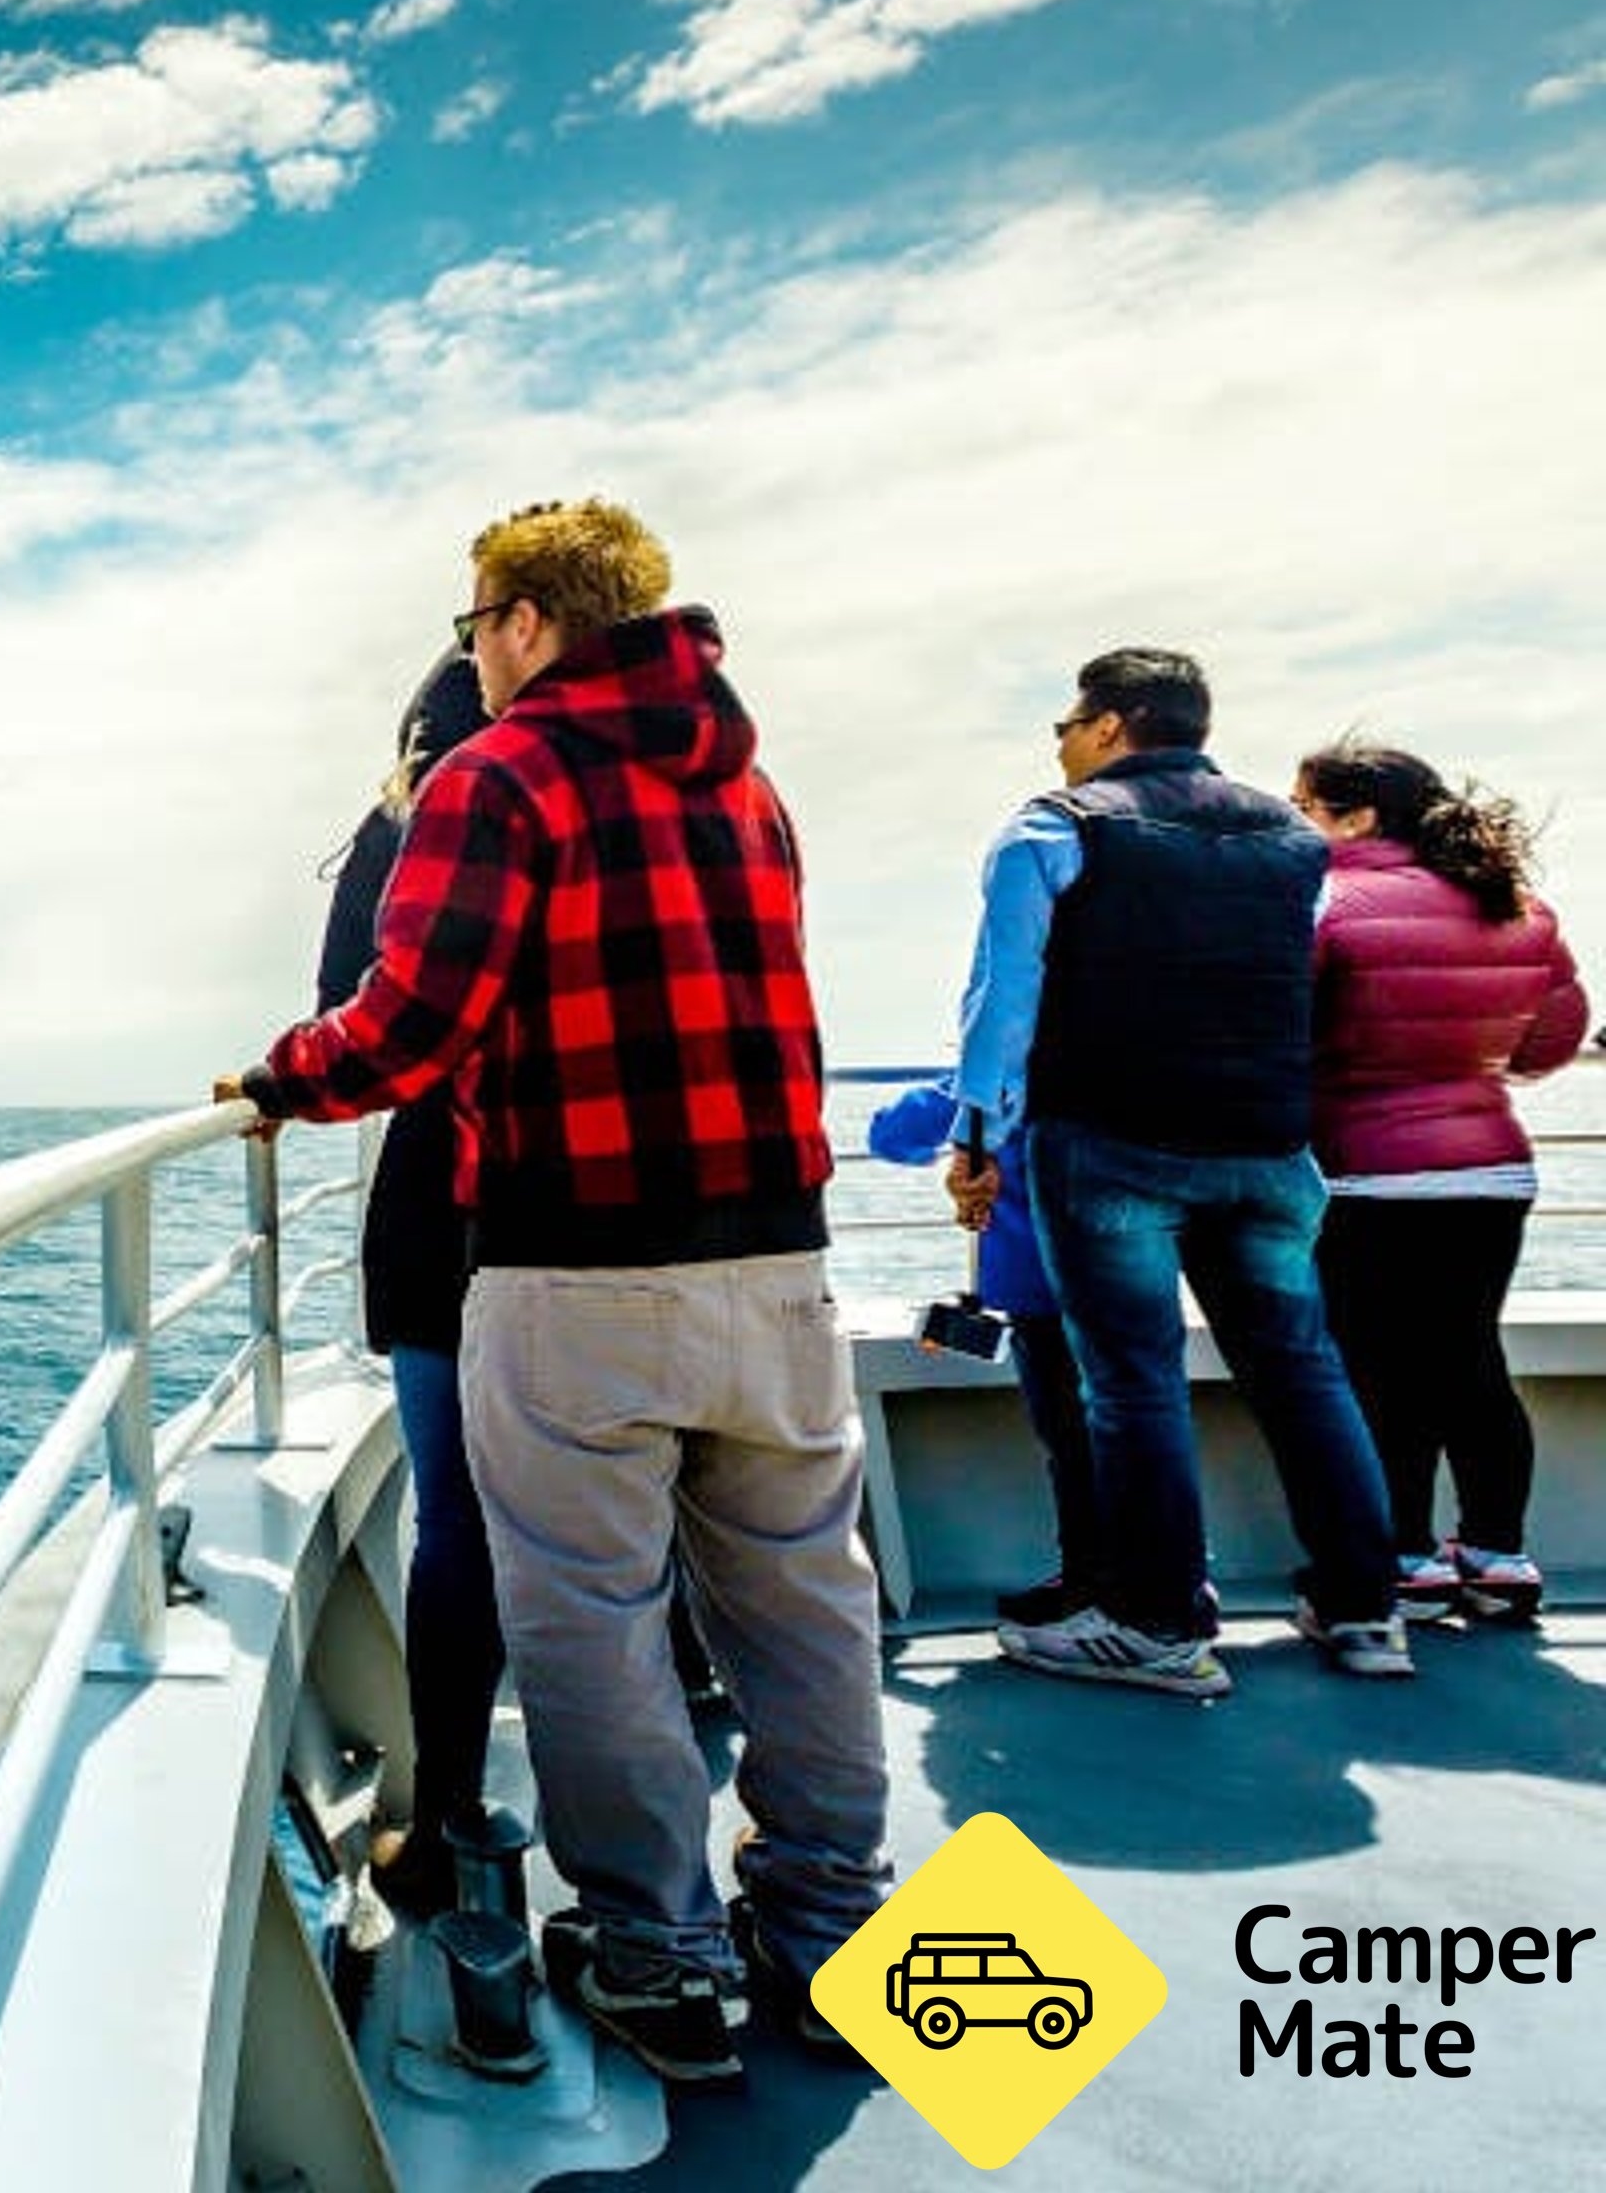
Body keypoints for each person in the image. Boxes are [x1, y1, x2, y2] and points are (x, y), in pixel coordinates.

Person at [221, 499, 888, 2087]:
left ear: (523, 621)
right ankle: (831, 1936)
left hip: (581, 1266)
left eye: (476, 625)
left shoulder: (499, 773)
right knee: (805, 1601)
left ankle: (659, 1959)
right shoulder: (750, 781)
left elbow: (406, 1025)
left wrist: (272, 1077)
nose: (476, 652)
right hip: (781, 1260)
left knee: (589, 1621)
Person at [945, 649, 1409, 1696]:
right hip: (1265, 1146)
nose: (1059, 741)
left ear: (1112, 724)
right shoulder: (1292, 840)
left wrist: (976, 1138)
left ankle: (1156, 1624)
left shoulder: (1050, 828)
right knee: (1302, 1370)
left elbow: (1000, 1005)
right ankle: (1364, 1606)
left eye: (1068, 720)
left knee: (1130, 1383)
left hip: (1110, 1144)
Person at [1295, 741, 1589, 1621]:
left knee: (1379, 1372)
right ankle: (1500, 1557)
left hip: (1364, 1176)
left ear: (1357, 817)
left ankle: (1407, 1560)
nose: (1292, 824)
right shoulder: (1518, 905)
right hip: (1493, 1171)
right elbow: (1546, 1045)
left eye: (1304, 808)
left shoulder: (1321, 904)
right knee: (1470, 1361)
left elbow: (1285, 1036)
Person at [315, 656, 508, 1915]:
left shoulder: (413, 816)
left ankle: (446, 1818)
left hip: (450, 1196)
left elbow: (351, 1016)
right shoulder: (694, 791)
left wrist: (284, 1081)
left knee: (460, 1519)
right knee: (647, 1503)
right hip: (670, 1200)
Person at [865, 1076, 1100, 1622]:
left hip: (1039, 1290)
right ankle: (1160, 1575)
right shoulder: (1111, 1061)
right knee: (1133, 1434)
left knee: (1071, 1443)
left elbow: (891, 1135)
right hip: (1129, 1278)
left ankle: (1088, 1581)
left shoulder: (993, 1080)